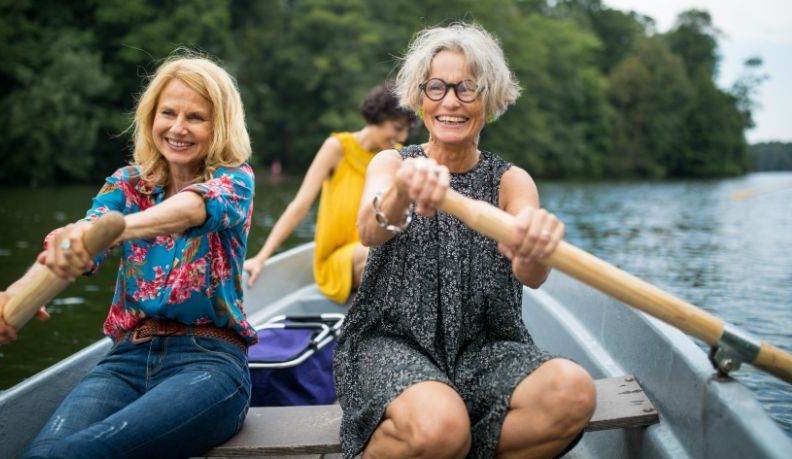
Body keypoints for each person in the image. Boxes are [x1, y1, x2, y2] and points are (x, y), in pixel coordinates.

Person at [333, 23, 597, 459]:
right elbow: (369, 228)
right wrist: (404, 189)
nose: (450, 101)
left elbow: (531, 276)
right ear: (419, 99)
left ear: (490, 100)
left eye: (466, 88)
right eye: (436, 88)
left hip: (483, 348)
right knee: (440, 427)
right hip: (391, 342)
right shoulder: (392, 162)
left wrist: (535, 245)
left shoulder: (512, 181)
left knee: (574, 393)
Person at [0, 53, 255, 458]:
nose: (178, 128)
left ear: (221, 126)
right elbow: (75, 242)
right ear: (151, 117)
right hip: (125, 358)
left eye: (196, 117)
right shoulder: (128, 184)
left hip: (209, 363)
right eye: (168, 113)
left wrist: (119, 230)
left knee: (81, 453)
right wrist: (11, 295)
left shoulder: (235, 179)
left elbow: (195, 208)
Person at [243, 82, 416, 304]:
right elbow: (300, 205)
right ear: (378, 116)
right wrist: (261, 257)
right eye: (397, 127)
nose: (401, 137)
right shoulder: (337, 147)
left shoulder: (395, 157)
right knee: (378, 253)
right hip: (337, 259)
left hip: (374, 246)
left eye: (405, 131)